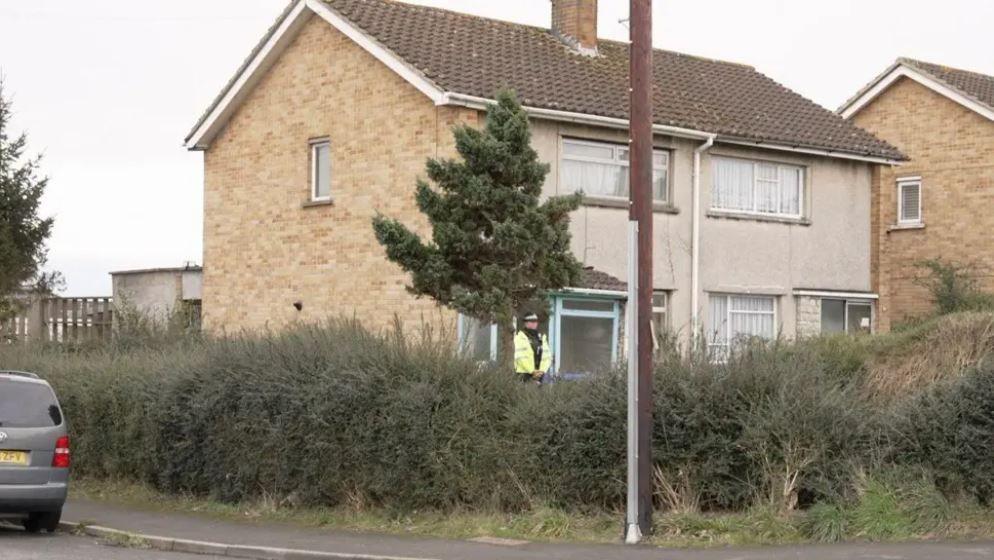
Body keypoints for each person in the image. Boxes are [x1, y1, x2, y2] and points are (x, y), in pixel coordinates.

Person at [514, 313, 552, 383]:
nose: (535, 323)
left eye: (536, 321)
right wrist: (532, 371)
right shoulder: (519, 338)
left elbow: (547, 356)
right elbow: (520, 357)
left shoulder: (541, 338)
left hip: (539, 375)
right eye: (532, 321)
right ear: (526, 323)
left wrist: (542, 371)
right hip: (524, 374)